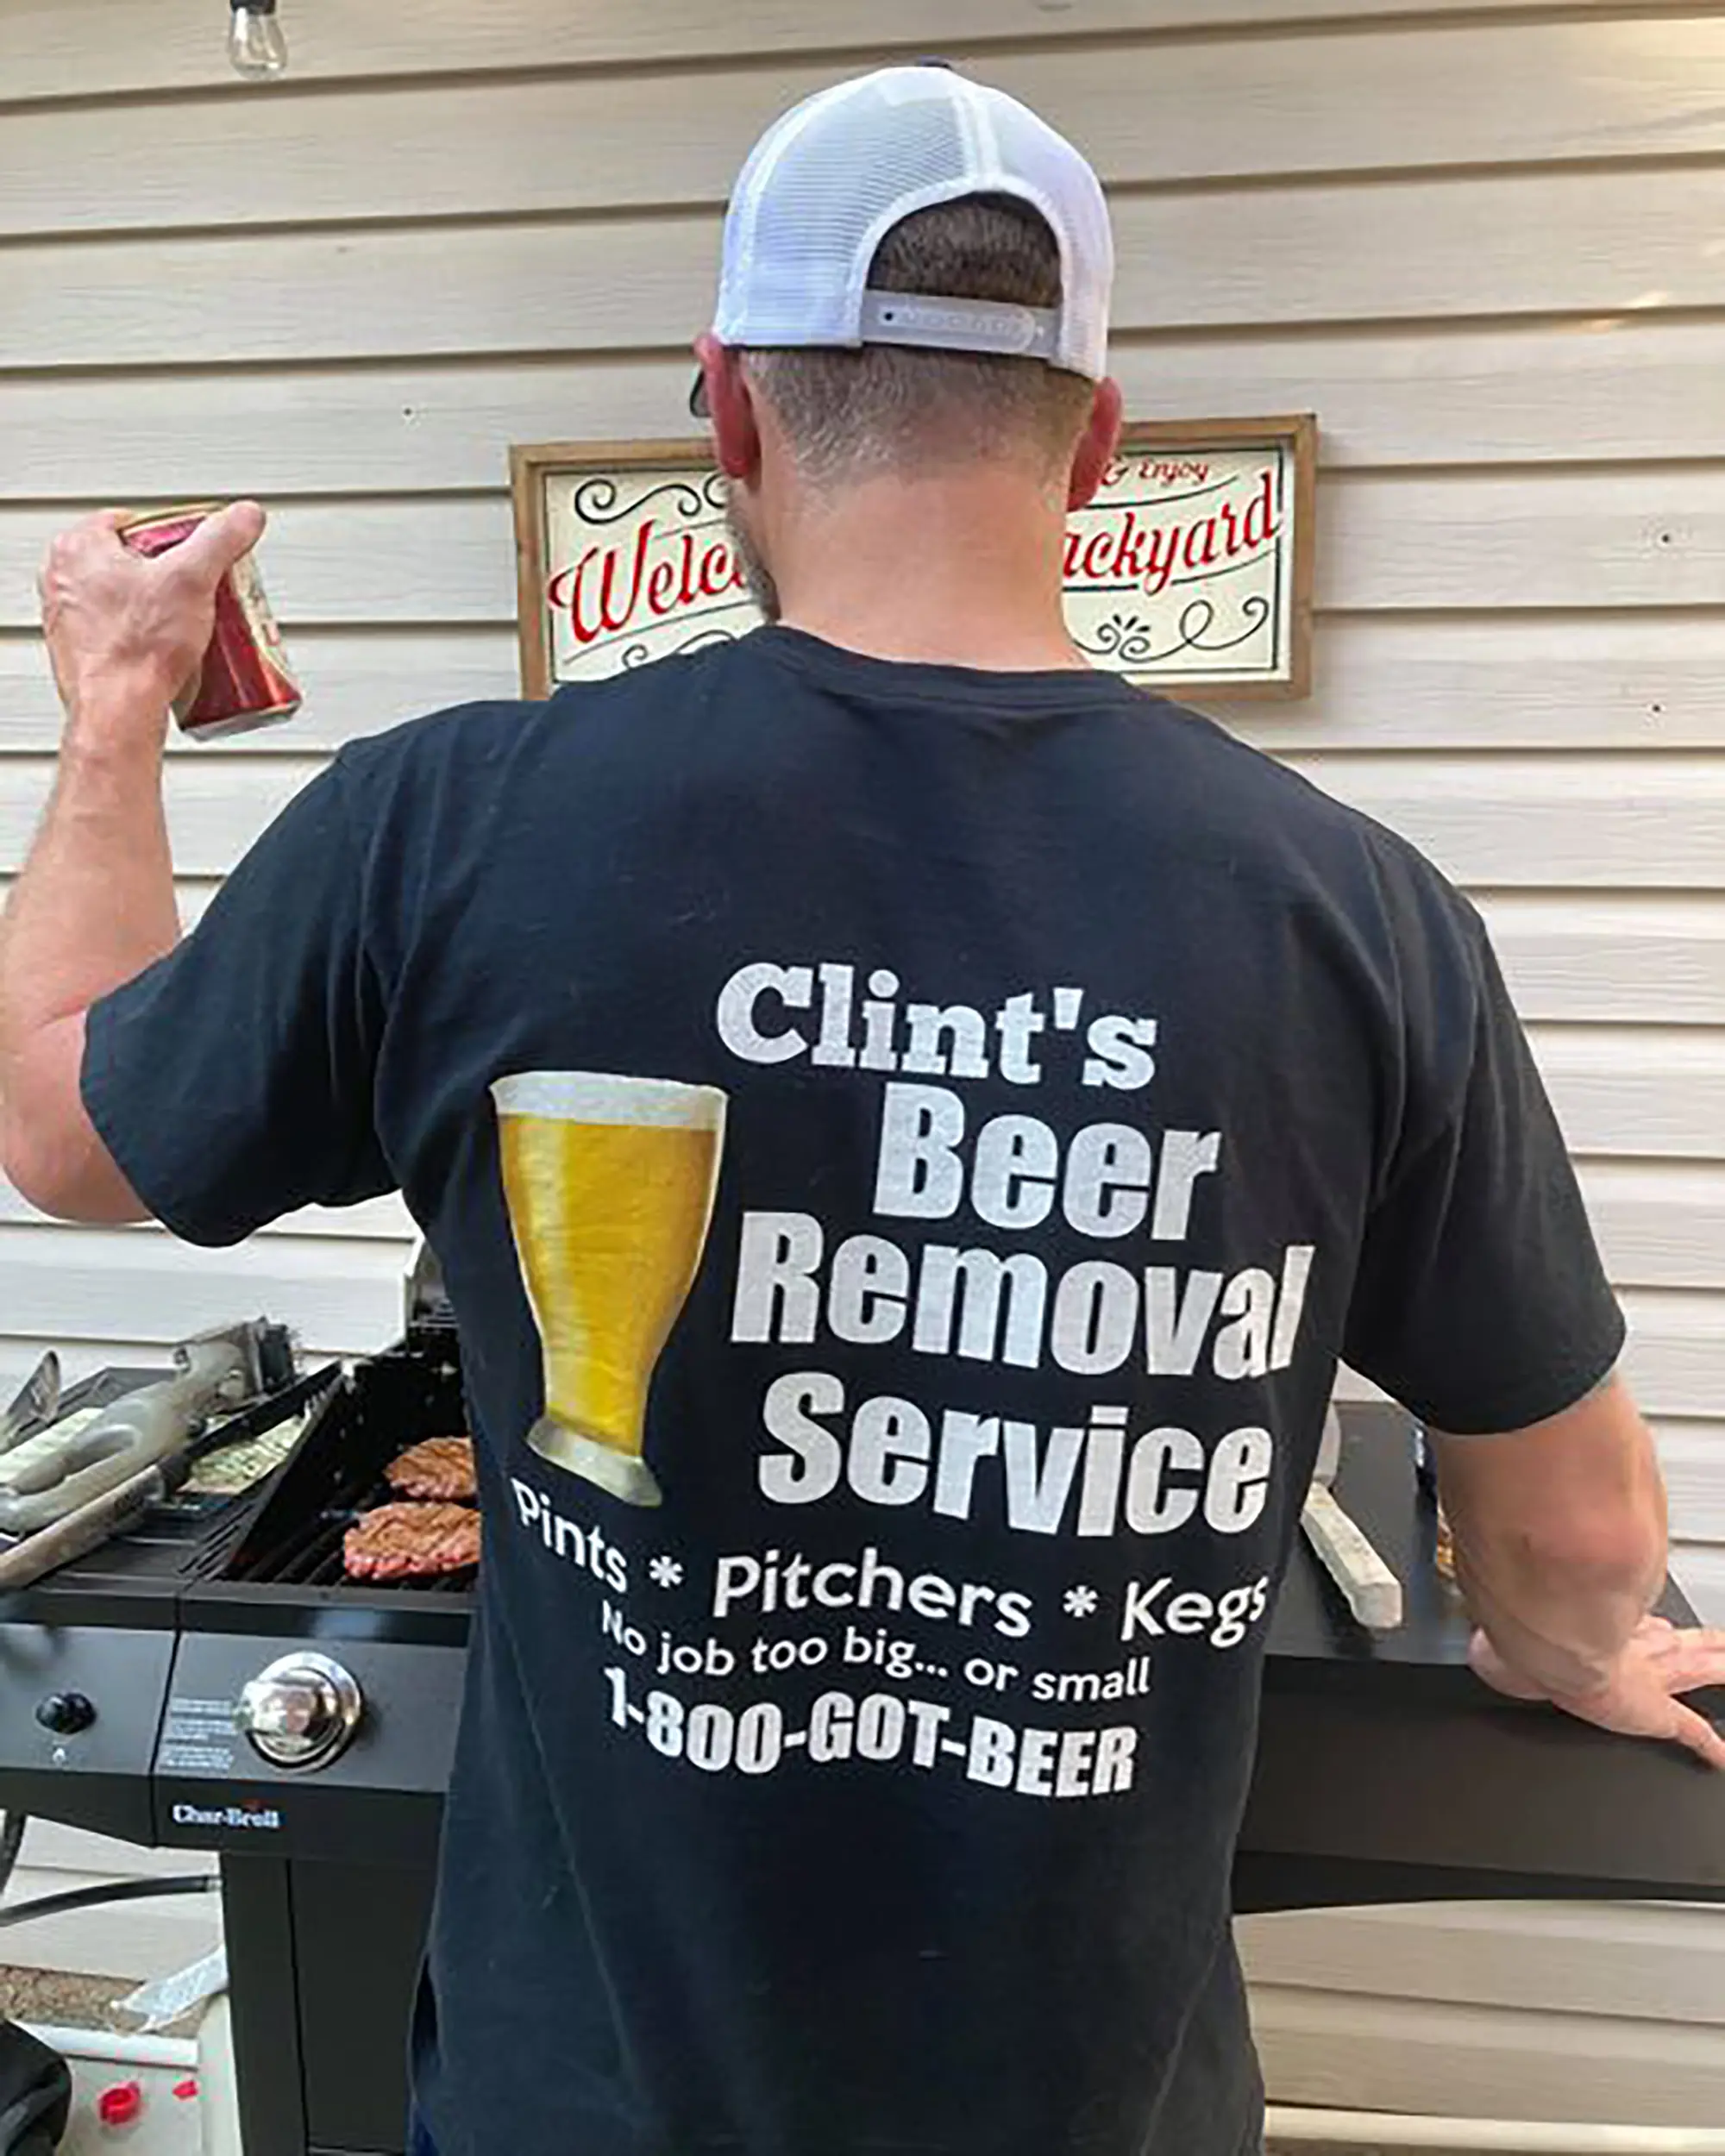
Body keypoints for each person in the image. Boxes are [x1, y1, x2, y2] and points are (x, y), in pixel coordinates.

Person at [1, 62, 1719, 2156]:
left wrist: (114, 697)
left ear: (726, 413)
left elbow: (69, 1123)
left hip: (583, 2107)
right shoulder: (1355, 908)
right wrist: (1569, 1645)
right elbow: (1572, 1541)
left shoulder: (448, 822)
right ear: (1097, 440)